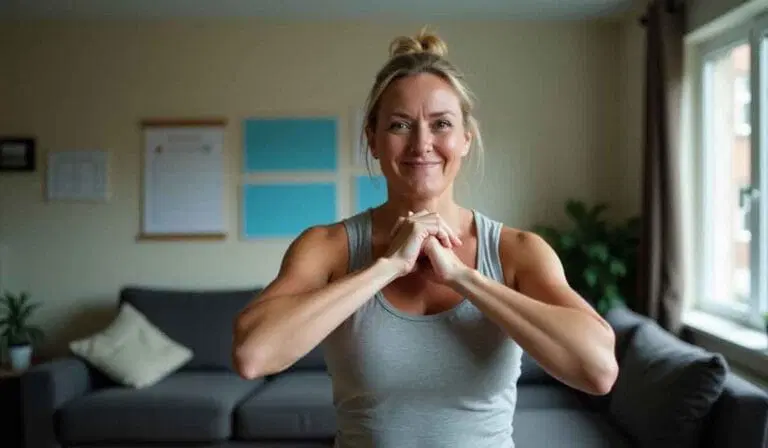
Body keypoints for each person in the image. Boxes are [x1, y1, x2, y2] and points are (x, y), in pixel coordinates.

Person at [233, 28, 618, 448]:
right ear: (373, 139)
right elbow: (254, 355)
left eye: (442, 125)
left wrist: (463, 277)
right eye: (400, 125)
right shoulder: (329, 248)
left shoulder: (516, 251)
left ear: (466, 139)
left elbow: (598, 370)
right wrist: (386, 267)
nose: (422, 144)